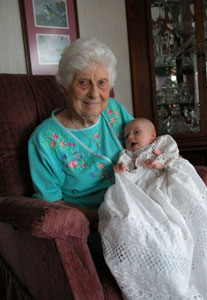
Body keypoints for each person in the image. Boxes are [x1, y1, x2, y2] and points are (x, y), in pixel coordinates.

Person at [98, 118, 207, 299]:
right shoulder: (127, 154)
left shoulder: (160, 144)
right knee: (125, 209)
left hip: (161, 180)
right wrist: (122, 167)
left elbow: (172, 154)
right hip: (142, 186)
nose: (130, 138)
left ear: (152, 135)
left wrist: (161, 162)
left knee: (180, 192)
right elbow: (124, 167)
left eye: (136, 132)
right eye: (126, 136)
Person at [28, 37, 133, 254]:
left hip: (133, 206)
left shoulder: (114, 110)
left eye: (102, 82)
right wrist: (102, 217)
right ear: (65, 87)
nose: (95, 93)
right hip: (93, 223)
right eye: (83, 82)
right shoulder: (45, 140)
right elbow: (53, 202)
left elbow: (142, 148)